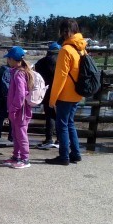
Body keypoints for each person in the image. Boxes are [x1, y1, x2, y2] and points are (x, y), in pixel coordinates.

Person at [45, 19, 85, 165]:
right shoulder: (81, 48)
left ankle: (64, 156)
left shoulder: (66, 50)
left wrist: (52, 99)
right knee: (70, 123)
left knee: (62, 125)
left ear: (64, 32)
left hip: (65, 94)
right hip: (77, 93)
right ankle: (76, 153)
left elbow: (60, 77)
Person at [2, 46, 33, 169]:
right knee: (16, 134)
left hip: (20, 110)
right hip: (19, 109)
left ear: (13, 59)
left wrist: (14, 108)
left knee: (21, 134)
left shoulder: (19, 74)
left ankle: (25, 159)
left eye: (8, 58)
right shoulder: (19, 72)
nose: (7, 61)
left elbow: (20, 93)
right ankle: (16, 156)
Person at [34, 42, 61, 149]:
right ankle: (60, 139)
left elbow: (36, 72)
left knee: (49, 116)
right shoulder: (61, 61)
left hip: (47, 91)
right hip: (60, 91)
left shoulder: (41, 62)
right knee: (60, 116)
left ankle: (49, 139)